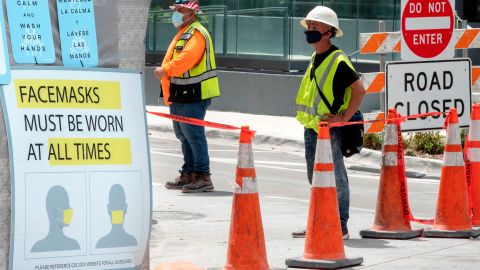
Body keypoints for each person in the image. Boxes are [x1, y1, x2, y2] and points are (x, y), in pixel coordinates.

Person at [292, 6, 366, 240]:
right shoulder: (316, 57)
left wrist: (342, 118)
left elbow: (359, 90)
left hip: (328, 131)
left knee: (335, 177)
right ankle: (319, 221)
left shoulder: (338, 60)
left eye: (316, 26)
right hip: (312, 128)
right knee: (316, 178)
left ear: (329, 32)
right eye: (309, 25)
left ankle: (340, 225)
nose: (310, 29)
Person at [154, 0, 220, 193]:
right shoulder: (185, 32)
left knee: (193, 136)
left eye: (180, 10)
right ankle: (189, 173)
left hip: (193, 93)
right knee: (184, 136)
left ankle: (202, 176)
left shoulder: (197, 33)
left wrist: (166, 70)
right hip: (181, 92)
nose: (176, 14)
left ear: (192, 13)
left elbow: (187, 58)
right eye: (176, 10)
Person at [31, 185, 80, 252]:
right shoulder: (37, 248)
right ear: (54, 210)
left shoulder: (74, 245)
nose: (69, 209)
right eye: (65, 204)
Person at [96, 184, 137, 248]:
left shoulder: (101, 244)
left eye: (119, 204)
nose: (117, 210)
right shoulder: (132, 241)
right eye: (115, 204)